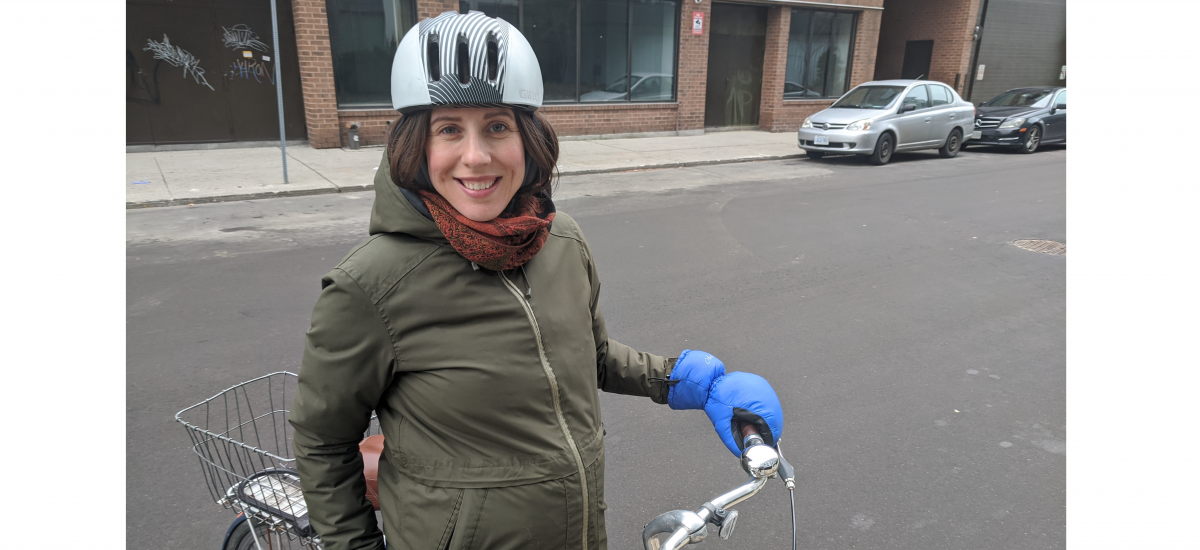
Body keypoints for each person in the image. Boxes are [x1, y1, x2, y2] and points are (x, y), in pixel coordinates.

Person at [289, 11, 783, 550]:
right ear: (415, 146)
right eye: (448, 129)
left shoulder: (560, 241)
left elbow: (585, 356)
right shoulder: (370, 285)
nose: (476, 156)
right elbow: (323, 441)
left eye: (497, 126)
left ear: (528, 140)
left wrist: (684, 381)